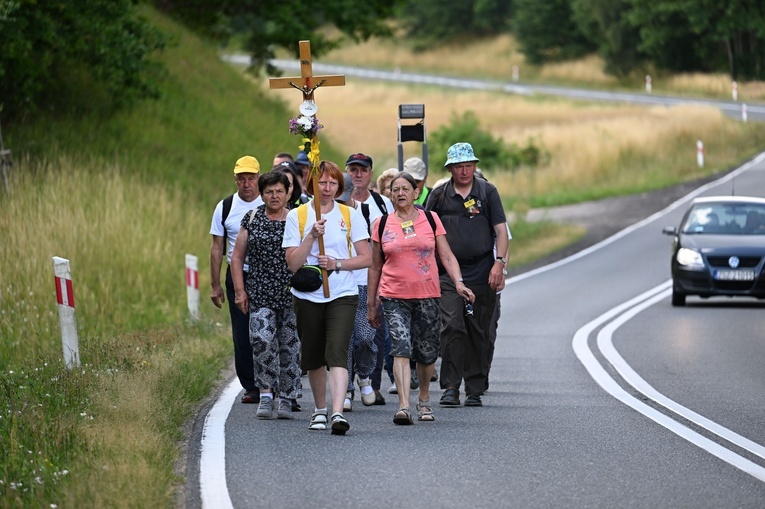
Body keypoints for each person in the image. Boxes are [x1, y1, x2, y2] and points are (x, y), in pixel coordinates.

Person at [368, 172, 474, 425]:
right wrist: (372, 303)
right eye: (396, 190)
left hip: (427, 294)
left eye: (406, 189)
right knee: (400, 348)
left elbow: (446, 256)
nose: (401, 193)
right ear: (390, 194)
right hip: (394, 296)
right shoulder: (381, 224)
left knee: (426, 354)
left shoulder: (430, 218)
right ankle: (403, 406)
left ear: (417, 193)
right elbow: (374, 266)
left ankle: (424, 400)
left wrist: (458, 282)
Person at [283, 161, 372, 435]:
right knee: (313, 355)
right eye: (322, 182)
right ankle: (319, 409)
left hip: (342, 293)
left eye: (333, 183)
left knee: (337, 353)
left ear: (339, 187)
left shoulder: (350, 214)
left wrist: (337, 264)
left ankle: (336, 412)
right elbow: (292, 263)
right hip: (308, 295)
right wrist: (311, 236)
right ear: (312, 185)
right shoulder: (297, 216)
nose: (327, 188)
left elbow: (366, 257)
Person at [425, 143, 508, 407]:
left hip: (483, 270)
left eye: (469, 165)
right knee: (452, 326)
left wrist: (499, 264)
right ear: (450, 168)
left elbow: (501, 231)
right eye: (459, 166)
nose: (464, 171)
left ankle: (475, 387)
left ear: (474, 166)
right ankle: (451, 386)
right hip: (448, 272)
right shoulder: (439, 195)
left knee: (478, 328)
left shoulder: (488, 191)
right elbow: (427, 234)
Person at [231, 171, 301, 420]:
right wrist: (240, 291)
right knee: (261, 340)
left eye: (279, 191)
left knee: (289, 346)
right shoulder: (251, 218)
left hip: (291, 294)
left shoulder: (297, 218)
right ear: (262, 194)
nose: (274, 196)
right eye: (269, 191)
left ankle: (287, 397)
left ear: (288, 192)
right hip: (260, 292)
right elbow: (237, 257)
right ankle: (266, 393)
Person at [209, 156, 264, 404]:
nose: (246, 184)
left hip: (266, 274)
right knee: (242, 333)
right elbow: (216, 247)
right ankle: (251, 385)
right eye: (241, 179)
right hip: (237, 274)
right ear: (235, 180)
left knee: (266, 330)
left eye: (251, 178)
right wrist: (215, 285)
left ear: (258, 178)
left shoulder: (270, 200)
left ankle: (272, 381)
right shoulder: (225, 206)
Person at [345, 152, 395, 403]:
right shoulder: (336, 202)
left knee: (370, 335)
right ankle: (347, 389)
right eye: (353, 169)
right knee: (345, 336)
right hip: (342, 278)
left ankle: (371, 382)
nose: (358, 174)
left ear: (370, 174)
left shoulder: (381, 204)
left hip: (372, 278)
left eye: (362, 170)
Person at [336, 173, 378, 411]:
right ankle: (347, 391)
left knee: (365, 337)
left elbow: (377, 255)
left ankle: (364, 374)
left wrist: (379, 286)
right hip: (339, 285)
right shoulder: (328, 214)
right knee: (344, 341)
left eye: (343, 198)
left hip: (364, 282)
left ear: (353, 193)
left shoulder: (368, 213)